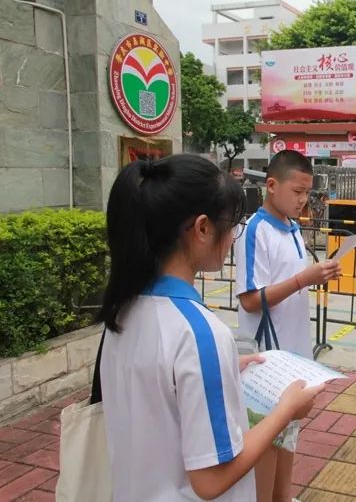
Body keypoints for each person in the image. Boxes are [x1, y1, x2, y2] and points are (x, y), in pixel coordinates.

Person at [97, 154, 323, 502]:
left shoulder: (121, 313)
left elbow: (158, 396)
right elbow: (212, 479)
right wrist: (286, 411)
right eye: (230, 225)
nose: (233, 237)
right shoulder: (200, 334)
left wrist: (223, 369)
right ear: (202, 229)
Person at [234, 150, 341, 500]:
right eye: (297, 191)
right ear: (271, 185)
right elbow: (250, 299)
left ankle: (283, 495)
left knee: (289, 430)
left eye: (307, 192)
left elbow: (290, 281)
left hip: (293, 351)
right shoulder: (256, 230)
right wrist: (302, 279)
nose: (302, 200)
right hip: (267, 357)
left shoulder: (293, 227)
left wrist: (315, 277)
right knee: (266, 438)